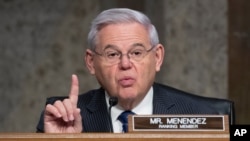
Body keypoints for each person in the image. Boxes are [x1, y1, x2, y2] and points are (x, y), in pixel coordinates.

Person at [36, 8, 235, 133]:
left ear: (157, 58)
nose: (125, 64)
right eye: (112, 54)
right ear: (91, 62)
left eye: (137, 52)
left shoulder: (203, 115)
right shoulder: (61, 117)